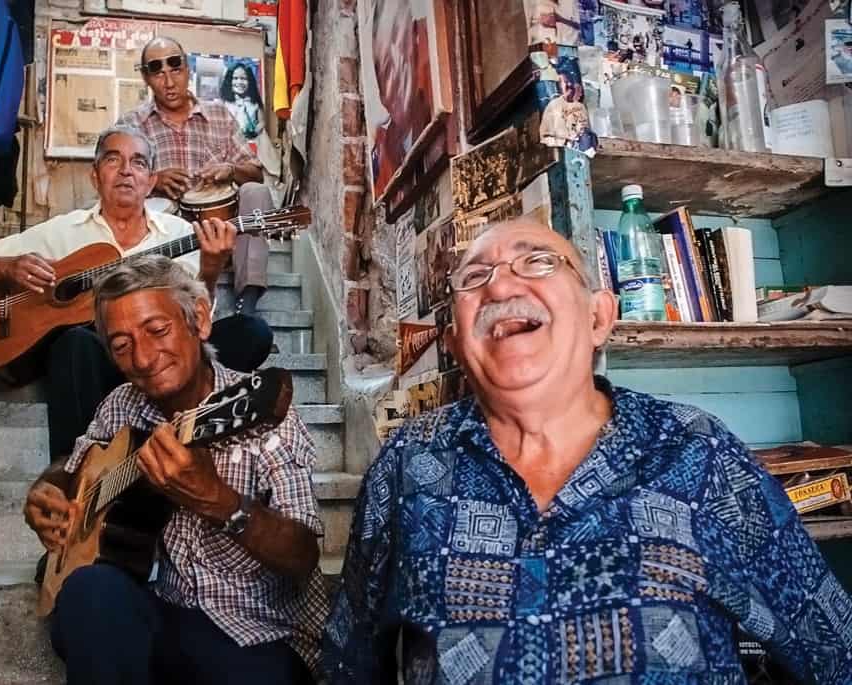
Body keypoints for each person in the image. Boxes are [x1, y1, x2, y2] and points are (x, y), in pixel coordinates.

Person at [322, 217, 852, 683]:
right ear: (457, 342)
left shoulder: (699, 453)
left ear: (599, 318)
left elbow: (834, 650)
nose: (502, 281)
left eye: (537, 261)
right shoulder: (408, 465)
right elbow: (351, 659)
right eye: (473, 276)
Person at [24, 255, 327, 684]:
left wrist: (220, 501)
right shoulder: (122, 404)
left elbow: (302, 557)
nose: (144, 358)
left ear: (199, 320)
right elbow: (73, 469)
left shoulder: (263, 418)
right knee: (89, 594)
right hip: (169, 612)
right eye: (122, 345)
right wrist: (47, 492)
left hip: (260, 633)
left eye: (157, 331)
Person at [0, 124, 273, 459]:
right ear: (95, 176)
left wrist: (210, 268)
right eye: (113, 160)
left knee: (251, 332)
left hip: (160, 359)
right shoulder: (65, 230)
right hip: (96, 363)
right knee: (73, 344)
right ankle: (76, 475)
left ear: (151, 181)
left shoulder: (180, 233)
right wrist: (8, 267)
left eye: (138, 163)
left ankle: (175, 439)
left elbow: (199, 323)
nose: (125, 171)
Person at [119, 37, 271, 316]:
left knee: (256, 192)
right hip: (168, 230)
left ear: (188, 69)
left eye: (175, 68)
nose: (168, 81)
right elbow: (114, 184)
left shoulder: (219, 115)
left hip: (222, 225)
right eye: (157, 71)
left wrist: (230, 169)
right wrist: (153, 180)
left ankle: (247, 302)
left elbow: (256, 173)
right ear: (145, 77)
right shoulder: (131, 125)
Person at [366, 0, 432, 199]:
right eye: (386, 67)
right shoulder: (384, 156)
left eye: (401, 53)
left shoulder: (437, 102)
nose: (396, 77)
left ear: (416, 42)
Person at [220, 61, 265, 141]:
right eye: (235, 78)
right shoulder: (225, 104)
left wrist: (254, 132)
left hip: (251, 146)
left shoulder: (255, 103)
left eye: (243, 78)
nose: (239, 82)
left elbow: (262, 122)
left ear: (250, 81)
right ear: (229, 80)